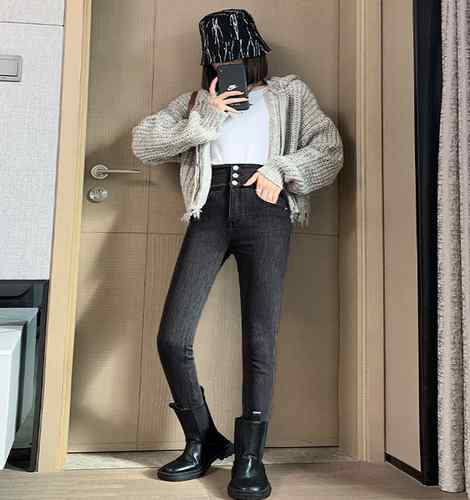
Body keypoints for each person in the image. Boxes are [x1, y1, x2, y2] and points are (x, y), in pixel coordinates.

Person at [131, 8, 344, 500]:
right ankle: (203, 439)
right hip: (208, 211)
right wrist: (207, 116)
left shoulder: (290, 93)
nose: (231, 66)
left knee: (259, 339)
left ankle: (250, 457)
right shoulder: (195, 102)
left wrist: (282, 170)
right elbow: (144, 144)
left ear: (256, 54)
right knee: (172, 336)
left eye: (239, 57)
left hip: (266, 209)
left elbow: (329, 149)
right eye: (220, 59)